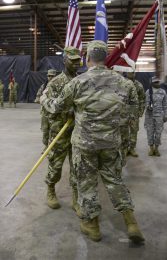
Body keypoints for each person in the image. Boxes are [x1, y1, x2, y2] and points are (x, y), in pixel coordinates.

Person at [41, 40, 145, 244]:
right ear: (105, 57)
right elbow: (132, 114)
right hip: (111, 143)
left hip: (85, 144)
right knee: (114, 181)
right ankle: (131, 222)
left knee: (87, 183)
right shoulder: (125, 83)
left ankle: (93, 227)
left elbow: (56, 107)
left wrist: (45, 97)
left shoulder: (78, 83)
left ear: (88, 58)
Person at [41, 47, 81, 211]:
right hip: (60, 132)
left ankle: (76, 197)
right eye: (72, 60)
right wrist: (66, 111)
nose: (76, 63)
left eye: (78, 60)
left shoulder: (82, 81)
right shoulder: (55, 83)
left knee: (77, 166)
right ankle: (50, 189)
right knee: (55, 165)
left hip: (78, 132)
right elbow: (48, 109)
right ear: (64, 60)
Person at [144, 76, 167, 156]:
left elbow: (165, 104)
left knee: (158, 133)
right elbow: (145, 102)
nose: (157, 83)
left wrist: (165, 115)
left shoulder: (163, 92)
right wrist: (148, 106)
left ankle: (156, 149)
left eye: (158, 82)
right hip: (149, 115)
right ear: (152, 83)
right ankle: (151, 149)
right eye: (155, 82)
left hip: (159, 116)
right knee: (150, 132)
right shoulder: (148, 92)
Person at [35, 69, 57, 147]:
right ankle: (46, 147)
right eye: (49, 76)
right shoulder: (44, 86)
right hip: (45, 113)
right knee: (45, 130)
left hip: (54, 113)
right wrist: (41, 100)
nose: (50, 77)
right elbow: (37, 97)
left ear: (55, 76)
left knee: (54, 131)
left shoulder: (58, 86)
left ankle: (53, 147)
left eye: (52, 76)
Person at [126, 72, 145, 157]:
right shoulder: (122, 83)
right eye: (129, 72)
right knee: (124, 130)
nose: (131, 74)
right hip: (124, 112)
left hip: (134, 112)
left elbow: (142, 99)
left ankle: (132, 148)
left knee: (134, 130)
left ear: (135, 73)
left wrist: (141, 111)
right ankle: (125, 148)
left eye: (132, 72)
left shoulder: (139, 85)